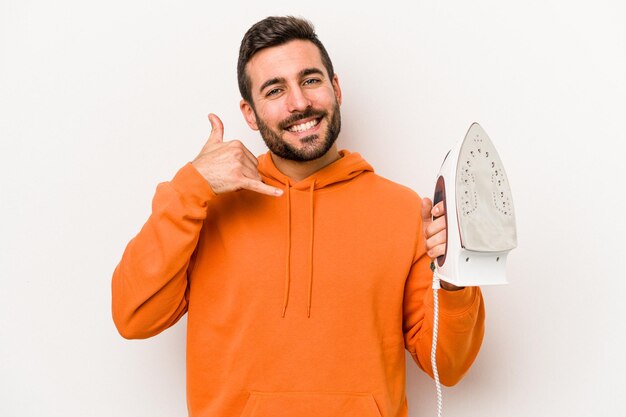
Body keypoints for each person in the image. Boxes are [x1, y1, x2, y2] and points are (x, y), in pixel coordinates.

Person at [112, 15, 485, 417]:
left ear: (336, 88)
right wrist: (192, 185)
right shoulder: (205, 206)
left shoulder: (404, 211)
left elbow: (447, 365)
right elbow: (134, 317)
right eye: (275, 90)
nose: (300, 103)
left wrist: (454, 277)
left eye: (310, 80)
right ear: (250, 114)